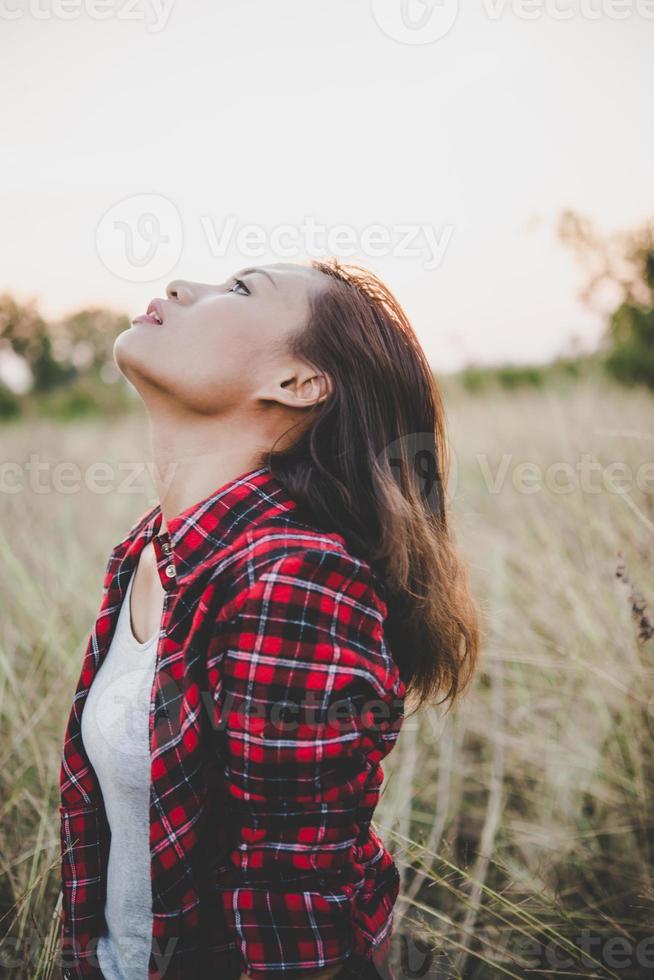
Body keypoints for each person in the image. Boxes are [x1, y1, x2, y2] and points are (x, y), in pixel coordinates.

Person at [58, 259, 480, 980]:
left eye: (242, 289)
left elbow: (294, 924)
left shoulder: (293, 577)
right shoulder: (150, 549)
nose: (182, 286)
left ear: (298, 384)